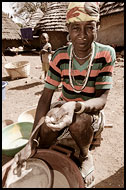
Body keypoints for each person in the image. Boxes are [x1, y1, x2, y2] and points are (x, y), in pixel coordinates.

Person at [10, 2, 116, 188]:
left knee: (79, 121)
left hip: (88, 111)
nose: (82, 35)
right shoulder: (60, 57)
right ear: (67, 29)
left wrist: (75, 106)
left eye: (89, 28)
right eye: (76, 28)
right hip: (63, 105)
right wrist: (31, 142)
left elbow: (101, 100)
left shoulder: (106, 54)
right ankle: (44, 153)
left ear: (97, 27)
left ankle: (85, 155)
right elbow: (45, 98)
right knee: (47, 125)